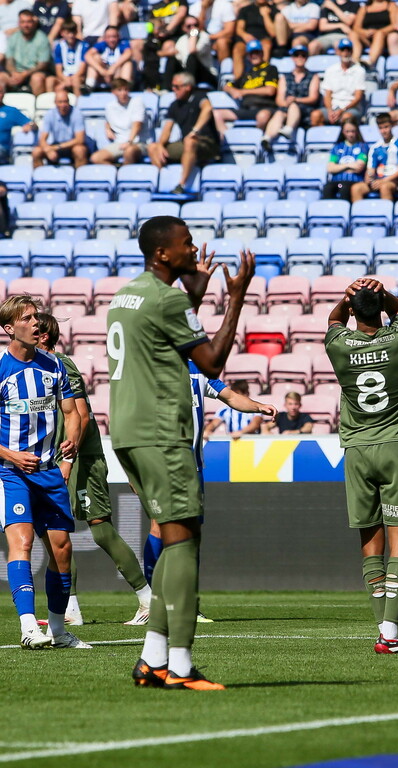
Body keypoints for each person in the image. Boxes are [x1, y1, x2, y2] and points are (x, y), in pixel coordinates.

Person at [112, 216, 253, 691]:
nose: (194, 248)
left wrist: (192, 293)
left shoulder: (126, 295)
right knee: (185, 542)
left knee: (174, 538)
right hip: (161, 431)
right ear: (162, 254)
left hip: (129, 431)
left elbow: (160, 333)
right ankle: (182, 666)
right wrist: (235, 297)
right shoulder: (167, 298)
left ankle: (153, 660)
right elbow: (212, 360)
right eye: (186, 243)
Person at [325, 277, 398, 654]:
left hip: (355, 451)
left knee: (370, 544)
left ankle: (383, 630)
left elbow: (333, 320)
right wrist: (384, 296)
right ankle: (389, 632)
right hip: (395, 445)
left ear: (352, 312)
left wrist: (345, 298)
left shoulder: (338, 346)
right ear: (380, 308)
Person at [36, 312, 152, 628]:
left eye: (33, 327)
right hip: (54, 462)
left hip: (82, 460)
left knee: (100, 530)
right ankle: (71, 609)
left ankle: (147, 599)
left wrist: (70, 460)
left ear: (44, 336)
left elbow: (83, 417)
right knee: (55, 533)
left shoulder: (62, 365)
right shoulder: (32, 372)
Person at [142, 360, 276, 603]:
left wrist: (259, 406)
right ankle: (150, 601)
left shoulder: (198, 370)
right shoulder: (153, 367)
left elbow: (232, 397)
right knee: (159, 526)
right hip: (161, 464)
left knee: (192, 534)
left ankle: (187, 601)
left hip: (193, 467)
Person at [0, 295, 87, 650]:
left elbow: (73, 413)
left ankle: (58, 630)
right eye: (29, 318)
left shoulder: (53, 366)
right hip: (11, 472)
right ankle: (27, 626)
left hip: (50, 471)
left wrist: (70, 451)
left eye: (37, 317)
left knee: (62, 550)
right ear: (9, 329)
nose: (37, 323)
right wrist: (11, 456)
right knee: (20, 542)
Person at [148, 72, 219, 195]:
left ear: (188, 87)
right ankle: (165, 180)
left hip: (207, 143)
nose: (173, 90)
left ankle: (181, 184)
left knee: (189, 141)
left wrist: (195, 130)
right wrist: (160, 145)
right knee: (152, 147)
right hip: (187, 143)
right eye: (173, 87)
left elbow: (207, 109)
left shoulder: (199, 96)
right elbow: (167, 129)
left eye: (177, 87)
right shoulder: (174, 105)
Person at [214, 39, 278, 135]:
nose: (254, 55)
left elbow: (270, 91)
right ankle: (227, 141)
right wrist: (233, 91)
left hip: (264, 107)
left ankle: (257, 141)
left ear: (262, 53)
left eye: (256, 52)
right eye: (251, 53)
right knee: (217, 114)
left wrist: (244, 92)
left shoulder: (270, 69)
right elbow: (226, 86)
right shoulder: (247, 74)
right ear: (248, 56)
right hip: (246, 109)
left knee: (263, 116)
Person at [262, 45, 320, 149]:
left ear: (307, 57)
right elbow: (279, 99)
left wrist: (296, 100)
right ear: (292, 57)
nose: (300, 57)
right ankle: (267, 138)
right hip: (286, 108)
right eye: (297, 55)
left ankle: (289, 128)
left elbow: (313, 98)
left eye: (303, 55)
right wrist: (287, 103)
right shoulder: (285, 77)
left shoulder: (313, 76)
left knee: (293, 105)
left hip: (305, 110)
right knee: (279, 113)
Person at [350, 112, 398, 202]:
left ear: (392, 126)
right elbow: (371, 169)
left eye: (386, 127)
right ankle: (360, 214)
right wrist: (369, 177)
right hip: (378, 180)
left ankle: (385, 213)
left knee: (385, 187)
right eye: (380, 128)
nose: (383, 131)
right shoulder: (375, 147)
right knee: (356, 188)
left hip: (394, 181)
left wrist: (384, 180)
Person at [91, 77, 148, 165]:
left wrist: (129, 142)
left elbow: (137, 125)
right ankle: (117, 174)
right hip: (119, 142)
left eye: (126, 90)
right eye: (120, 90)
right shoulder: (110, 106)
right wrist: (107, 128)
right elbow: (109, 120)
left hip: (138, 143)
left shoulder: (137, 102)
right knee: (96, 158)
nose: (123, 93)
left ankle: (126, 176)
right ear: (113, 92)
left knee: (129, 152)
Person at [232, 0, 289, 84]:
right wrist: (245, 36)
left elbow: (273, 33)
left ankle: (261, 78)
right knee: (237, 49)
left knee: (266, 45)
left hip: (263, 38)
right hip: (246, 39)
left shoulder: (273, 11)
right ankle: (238, 81)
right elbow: (239, 29)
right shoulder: (245, 10)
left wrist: (265, 15)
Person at [32, 87, 88, 168]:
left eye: (65, 102)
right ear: (55, 103)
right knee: (36, 152)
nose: (63, 105)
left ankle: (81, 178)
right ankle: (40, 178)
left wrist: (58, 147)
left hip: (71, 145)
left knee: (79, 150)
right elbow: (42, 139)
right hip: (56, 145)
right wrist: (47, 150)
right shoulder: (50, 114)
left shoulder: (77, 113)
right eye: (60, 102)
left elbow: (80, 139)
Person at [2, 9, 50, 95]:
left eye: (28, 22)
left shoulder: (42, 39)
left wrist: (24, 74)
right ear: (19, 23)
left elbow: (42, 65)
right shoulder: (13, 37)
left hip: (32, 73)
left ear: (33, 23)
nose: (26, 25)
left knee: (37, 78)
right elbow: (9, 61)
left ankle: (37, 106)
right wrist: (14, 73)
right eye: (23, 22)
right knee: (1, 77)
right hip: (15, 73)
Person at [319, 37, 365, 125]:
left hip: (351, 108)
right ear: (338, 52)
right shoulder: (330, 70)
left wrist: (342, 110)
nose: (345, 53)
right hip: (334, 107)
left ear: (352, 52)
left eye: (348, 50)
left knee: (346, 117)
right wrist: (330, 111)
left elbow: (358, 97)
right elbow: (327, 95)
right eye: (343, 50)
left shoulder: (359, 71)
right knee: (316, 115)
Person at [323, 116, 368, 200]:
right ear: (343, 132)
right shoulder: (337, 147)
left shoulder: (363, 147)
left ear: (357, 131)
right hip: (336, 181)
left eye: (352, 131)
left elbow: (358, 167)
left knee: (343, 188)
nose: (350, 134)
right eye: (347, 131)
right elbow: (330, 168)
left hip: (353, 181)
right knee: (327, 188)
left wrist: (339, 167)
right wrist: (348, 165)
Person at [84, 25, 133, 90]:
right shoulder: (102, 44)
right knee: (95, 57)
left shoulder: (123, 44)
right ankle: (89, 85)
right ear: (105, 37)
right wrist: (102, 71)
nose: (111, 40)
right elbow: (87, 55)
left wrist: (113, 68)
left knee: (127, 63)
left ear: (118, 37)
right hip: (104, 73)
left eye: (114, 37)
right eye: (109, 37)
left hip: (117, 73)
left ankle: (124, 86)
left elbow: (128, 53)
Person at [191, 0, 236, 66]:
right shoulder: (194, 8)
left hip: (219, 38)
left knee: (221, 42)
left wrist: (210, 38)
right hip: (200, 39)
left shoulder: (225, 5)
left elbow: (229, 30)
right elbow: (196, 29)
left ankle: (225, 71)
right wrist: (203, 9)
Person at [0, 79, 35, 164]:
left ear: (4, 94)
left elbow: (32, 124)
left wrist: (30, 126)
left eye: (0, 92)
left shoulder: (11, 111)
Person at [50, 19, 88, 96]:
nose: (71, 35)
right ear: (62, 33)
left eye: (73, 33)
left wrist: (72, 79)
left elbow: (82, 69)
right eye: (68, 33)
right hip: (65, 76)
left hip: (78, 76)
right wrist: (65, 79)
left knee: (76, 80)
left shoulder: (83, 45)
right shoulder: (59, 46)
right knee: (50, 80)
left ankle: (78, 104)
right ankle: (51, 104)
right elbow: (58, 70)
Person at [353, 0, 393, 68]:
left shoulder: (391, 5)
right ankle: (354, 61)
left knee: (379, 34)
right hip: (367, 39)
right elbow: (356, 27)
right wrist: (365, 32)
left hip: (383, 38)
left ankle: (370, 62)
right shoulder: (364, 8)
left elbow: (395, 24)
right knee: (353, 34)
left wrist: (378, 31)